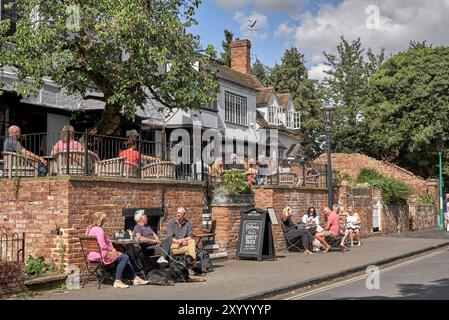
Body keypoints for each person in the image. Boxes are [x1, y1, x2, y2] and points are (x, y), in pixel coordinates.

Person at [85, 212, 149, 288]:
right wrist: (111, 250)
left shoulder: (89, 229)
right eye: (103, 220)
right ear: (100, 220)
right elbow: (102, 245)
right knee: (124, 257)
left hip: (92, 254)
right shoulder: (99, 230)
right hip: (102, 255)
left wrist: (108, 241)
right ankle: (118, 280)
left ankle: (135, 278)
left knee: (124, 257)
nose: (104, 222)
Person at [167, 207, 197, 271]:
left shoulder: (188, 223)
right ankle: (192, 265)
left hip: (184, 244)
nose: (178, 214)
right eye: (177, 212)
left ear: (184, 214)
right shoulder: (171, 222)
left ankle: (191, 263)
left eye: (180, 213)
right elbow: (170, 237)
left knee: (192, 241)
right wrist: (178, 241)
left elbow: (190, 236)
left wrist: (183, 240)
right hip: (175, 244)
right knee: (190, 248)